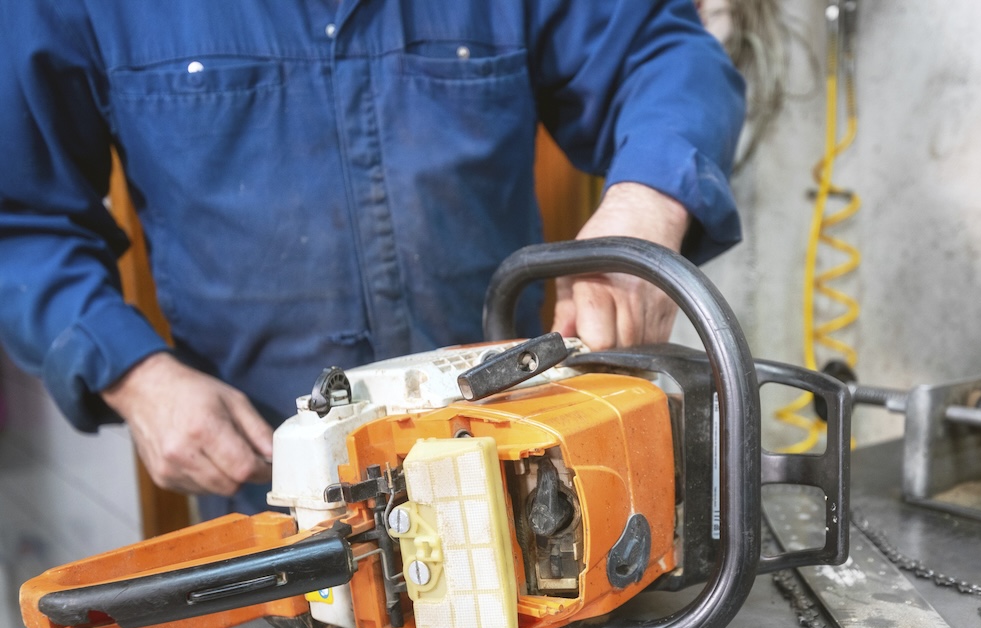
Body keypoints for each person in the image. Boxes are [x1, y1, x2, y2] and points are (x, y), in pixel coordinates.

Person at [0, 0, 745, 518]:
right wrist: (138, 378)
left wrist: (647, 206)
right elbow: (22, 221)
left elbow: (660, 51)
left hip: (527, 469)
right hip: (271, 499)